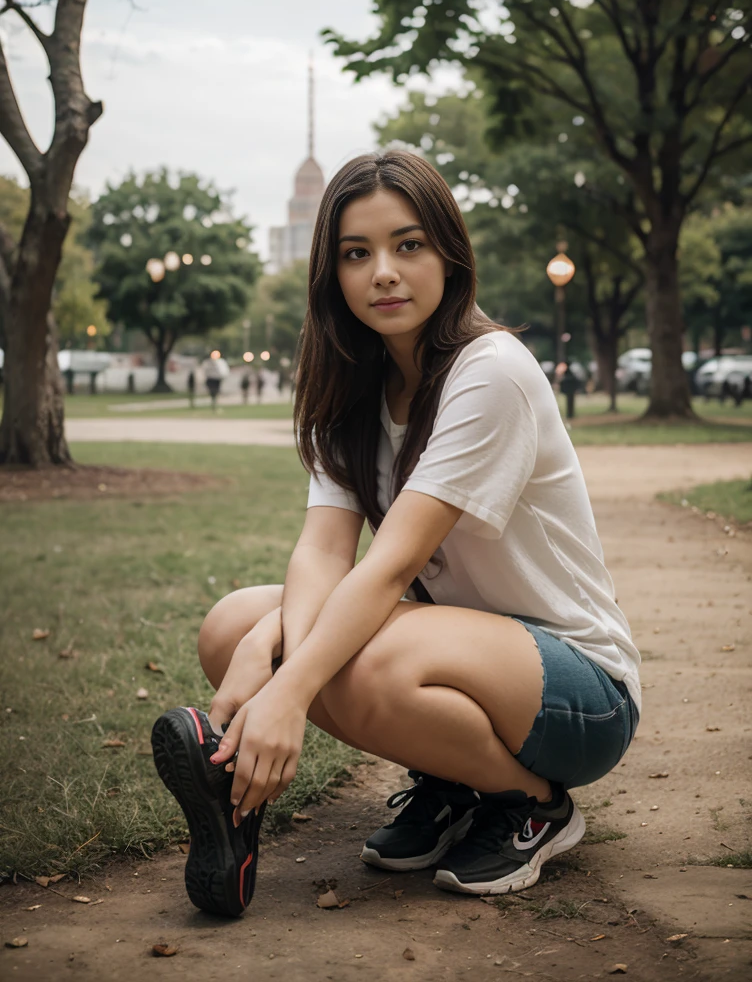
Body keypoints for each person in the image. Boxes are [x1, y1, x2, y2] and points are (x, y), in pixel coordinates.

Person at [151, 150, 640, 919]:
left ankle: (535, 804)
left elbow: (390, 566)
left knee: (363, 659)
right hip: (462, 651)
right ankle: (454, 786)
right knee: (231, 626)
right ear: (332, 275)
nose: (383, 271)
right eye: (357, 253)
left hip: (579, 692)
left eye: (407, 245)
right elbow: (322, 551)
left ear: (448, 253)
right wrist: (267, 638)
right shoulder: (353, 387)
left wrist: (285, 687)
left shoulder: (492, 369)